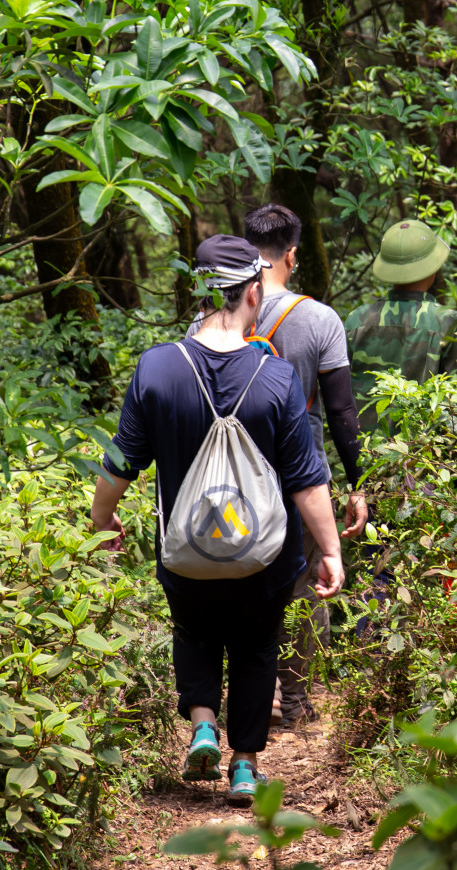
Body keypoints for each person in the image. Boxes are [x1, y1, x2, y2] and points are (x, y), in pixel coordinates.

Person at [89, 235, 344, 803]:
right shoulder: (276, 378)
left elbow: (121, 460)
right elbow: (306, 479)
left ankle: (203, 723)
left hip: (186, 551)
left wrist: (102, 518)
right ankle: (245, 766)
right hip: (265, 558)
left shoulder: (157, 369)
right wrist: (330, 550)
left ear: (198, 292)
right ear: (255, 291)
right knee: (257, 646)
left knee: (194, 630)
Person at [240, 203, 366, 727]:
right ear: (292, 254)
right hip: (302, 475)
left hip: (236, 473)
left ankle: (246, 691)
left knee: (242, 579)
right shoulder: (319, 319)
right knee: (305, 582)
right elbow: (339, 409)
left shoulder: (219, 314)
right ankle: (292, 702)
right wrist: (359, 482)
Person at [344, 218, 457, 424]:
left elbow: (339, 396)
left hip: (362, 450)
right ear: (433, 267)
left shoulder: (356, 320)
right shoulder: (451, 324)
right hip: (424, 453)